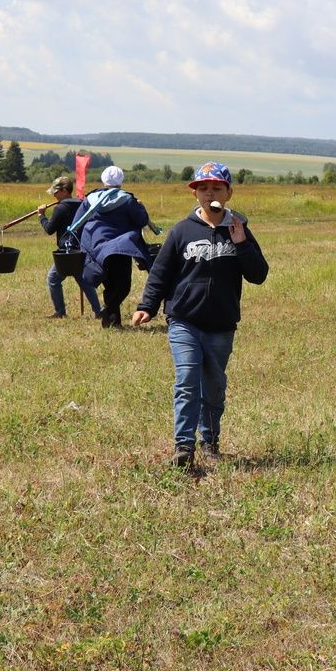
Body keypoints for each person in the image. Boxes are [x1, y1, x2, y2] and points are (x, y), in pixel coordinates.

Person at [131, 162, 269, 468]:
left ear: (229, 193)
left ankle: (210, 442)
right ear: (196, 194)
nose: (210, 193)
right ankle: (184, 446)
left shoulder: (240, 229)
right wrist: (147, 306)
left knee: (214, 387)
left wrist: (242, 244)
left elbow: (258, 275)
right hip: (184, 321)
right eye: (203, 188)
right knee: (187, 380)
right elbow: (160, 273)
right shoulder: (182, 231)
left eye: (216, 187)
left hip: (221, 325)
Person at [74, 166, 153, 328]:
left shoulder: (90, 199)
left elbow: (77, 222)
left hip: (96, 248)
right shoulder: (128, 200)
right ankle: (108, 310)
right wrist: (141, 206)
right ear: (121, 181)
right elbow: (142, 220)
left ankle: (112, 322)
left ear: (104, 180)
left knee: (110, 285)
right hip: (120, 248)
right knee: (123, 285)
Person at [38, 175, 101, 319]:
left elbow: (49, 229)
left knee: (53, 279)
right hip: (81, 249)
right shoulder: (82, 204)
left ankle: (60, 312)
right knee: (83, 281)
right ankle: (98, 311)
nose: (54, 194)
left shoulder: (60, 208)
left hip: (66, 252)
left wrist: (41, 216)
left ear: (65, 191)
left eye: (56, 191)